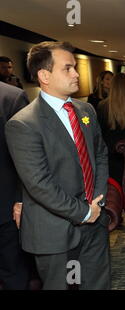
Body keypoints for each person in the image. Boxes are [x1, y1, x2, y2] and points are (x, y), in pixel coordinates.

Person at [5, 41, 111, 290]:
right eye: (68, 68)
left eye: (75, 67)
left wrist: (96, 202)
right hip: (53, 232)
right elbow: (39, 184)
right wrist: (83, 212)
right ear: (44, 75)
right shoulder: (23, 124)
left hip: (95, 223)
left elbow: (100, 155)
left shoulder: (86, 110)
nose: (76, 74)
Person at [0, 81, 29, 289]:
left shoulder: (10, 97)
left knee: (13, 272)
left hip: (5, 207)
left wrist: (21, 199)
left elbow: (25, 157)